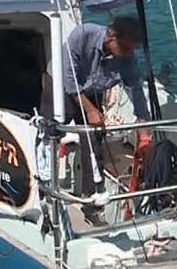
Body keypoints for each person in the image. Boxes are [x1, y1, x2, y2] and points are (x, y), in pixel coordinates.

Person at [63, 16, 151, 225]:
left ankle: (91, 205)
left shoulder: (127, 57)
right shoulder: (82, 35)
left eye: (132, 49)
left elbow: (135, 88)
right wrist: (92, 111)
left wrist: (142, 123)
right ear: (111, 38)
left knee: (94, 145)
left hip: (91, 92)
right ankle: (41, 188)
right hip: (60, 87)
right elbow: (69, 82)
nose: (129, 54)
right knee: (49, 135)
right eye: (126, 47)